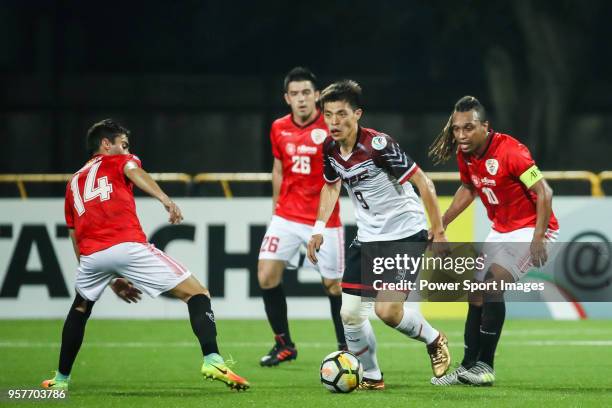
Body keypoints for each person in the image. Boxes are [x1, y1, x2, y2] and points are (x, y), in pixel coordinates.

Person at [41, 119, 249, 391]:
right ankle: (212, 359)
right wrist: (165, 199)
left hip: (91, 256)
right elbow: (133, 170)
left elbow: (74, 234)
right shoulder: (118, 160)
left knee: (80, 309)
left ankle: (60, 379)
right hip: (127, 245)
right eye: (123, 144)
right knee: (197, 294)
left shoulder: (73, 183)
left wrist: (108, 277)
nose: (127, 150)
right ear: (107, 144)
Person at [307, 80, 451, 390]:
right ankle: (372, 376)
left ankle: (434, 339)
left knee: (387, 311)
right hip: (369, 235)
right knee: (349, 313)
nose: (334, 122)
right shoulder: (329, 148)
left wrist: (437, 232)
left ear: (357, 114)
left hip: (404, 233)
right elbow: (331, 185)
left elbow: (424, 183)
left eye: (342, 114)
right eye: (328, 114)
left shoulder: (378, 146)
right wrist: (318, 229)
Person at [429, 96, 559, 386]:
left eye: (468, 128)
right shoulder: (466, 154)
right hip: (501, 230)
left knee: (490, 286)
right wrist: (443, 222)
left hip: (533, 228)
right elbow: (468, 188)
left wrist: (539, 237)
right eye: (456, 129)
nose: (461, 135)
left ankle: (485, 367)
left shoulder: (512, 151)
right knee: (476, 295)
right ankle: (467, 368)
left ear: (485, 126)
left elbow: (545, 192)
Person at [258, 67, 345, 366]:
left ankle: (345, 347)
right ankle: (284, 345)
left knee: (333, 286)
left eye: (306, 92)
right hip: (286, 215)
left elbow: (338, 176)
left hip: (323, 219)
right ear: (286, 98)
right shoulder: (278, 127)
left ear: (317, 95)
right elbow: (279, 168)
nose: (301, 99)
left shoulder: (331, 128)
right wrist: (275, 211)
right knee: (266, 275)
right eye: (295, 94)